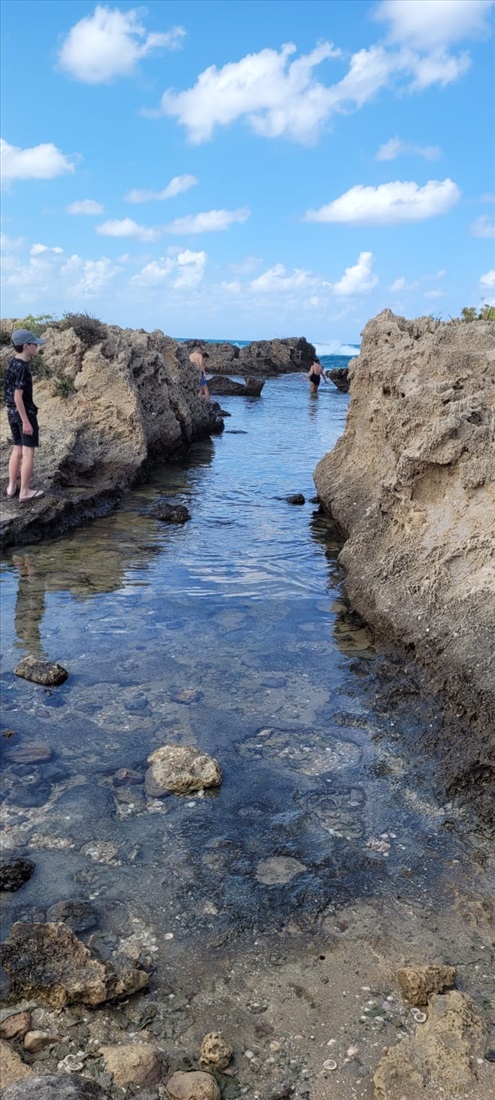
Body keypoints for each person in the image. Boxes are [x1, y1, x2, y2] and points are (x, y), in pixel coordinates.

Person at [4, 328, 46, 501]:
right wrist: (26, 421)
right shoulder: (22, 368)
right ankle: (25, 491)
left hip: (11, 413)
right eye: (34, 344)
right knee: (28, 453)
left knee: (17, 449)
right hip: (24, 414)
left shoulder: (11, 363)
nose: (37, 346)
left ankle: (12, 487)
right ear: (26, 345)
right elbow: (17, 396)